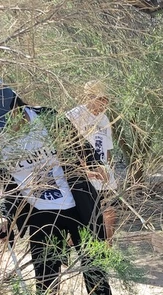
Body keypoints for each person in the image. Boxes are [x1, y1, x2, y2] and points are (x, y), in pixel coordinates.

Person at [0, 83, 130, 295]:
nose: (9, 126)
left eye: (10, 118)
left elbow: (80, 148)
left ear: (19, 107)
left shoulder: (47, 117)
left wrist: (93, 164)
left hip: (77, 202)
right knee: (46, 279)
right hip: (39, 214)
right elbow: (7, 185)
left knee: (94, 268)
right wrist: (6, 217)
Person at [66, 79, 118, 242]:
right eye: (100, 99)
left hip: (104, 176)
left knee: (109, 214)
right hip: (82, 176)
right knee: (84, 220)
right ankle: (68, 248)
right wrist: (83, 169)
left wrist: (110, 170)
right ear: (89, 97)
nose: (104, 103)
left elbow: (107, 149)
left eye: (106, 99)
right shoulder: (73, 116)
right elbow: (67, 149)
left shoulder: (105, 119)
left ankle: (108, 254)